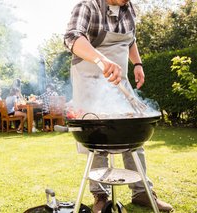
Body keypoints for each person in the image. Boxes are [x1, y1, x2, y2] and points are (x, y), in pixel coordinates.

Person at [64, 0, 173, 212]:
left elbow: (130, 40)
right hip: (90, 80)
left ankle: (142, 192)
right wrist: (102, 60)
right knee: (98, 138)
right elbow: (72, 38)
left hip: (119, 81)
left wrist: (138, 64)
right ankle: (100, 195)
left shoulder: (129, 8)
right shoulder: (87, 6)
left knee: (134, 132)